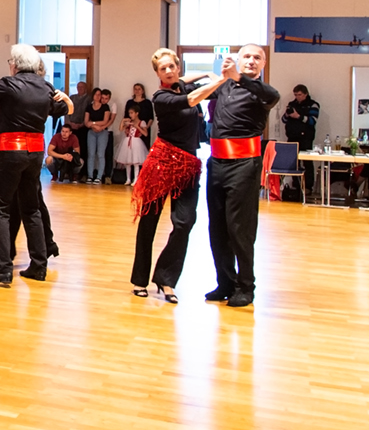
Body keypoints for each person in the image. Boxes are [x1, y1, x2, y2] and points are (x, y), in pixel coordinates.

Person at [0, 45, 70, 286]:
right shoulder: (46, 86)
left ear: (16, 64)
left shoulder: (8, 84)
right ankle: (38, 266)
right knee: (31, 209)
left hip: (10, 151)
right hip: (35, 154)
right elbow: (61, 109)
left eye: (11, 61)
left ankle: (3, 268)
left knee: (0, 209)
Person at [131, 49, 227, 303]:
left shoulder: (182, 86)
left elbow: (192, 85)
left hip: (188, 166)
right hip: (162, 164)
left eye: (171, 66)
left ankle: (166, 278)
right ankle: (139, 279)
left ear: (178, 67)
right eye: (163, 68)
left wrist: (209, 75)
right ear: (157, 73)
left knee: (185, 222)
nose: (168, 71)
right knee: (149, 222)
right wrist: (218, 78)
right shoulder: (160, 97)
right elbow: (194, 98)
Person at [204, 45, 279, 308]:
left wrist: (237, 76)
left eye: (257, 57)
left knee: (240, 229)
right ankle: (225, 282)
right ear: (238, 59)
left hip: (244, 166)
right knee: (217, 228)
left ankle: (246, 286)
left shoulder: (263, 92)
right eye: (246, 56)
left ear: (263, 64)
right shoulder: (224, 86)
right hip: (216, 164)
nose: (251, 61)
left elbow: (272, 95)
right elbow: (195, 91)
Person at [281, 84, 319, 195]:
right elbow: (283, 120)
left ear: (306, 94)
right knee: (293, 163)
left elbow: (312, 121)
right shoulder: (292, 104)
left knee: (307, 163)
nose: (297, 97)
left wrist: (298, 116)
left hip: (306, 138)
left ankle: (308, 187)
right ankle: (296, 185)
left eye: (300, 95)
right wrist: (288, 114)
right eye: (295, 95)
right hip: (292, 137)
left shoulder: (313, 105)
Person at [84, 88, 114, 184]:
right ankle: (90, 176)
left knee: (101, 154)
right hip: (91, 132)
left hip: (103, 132)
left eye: (99, 94)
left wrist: (93, 123)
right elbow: (86, 122)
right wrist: (94, 125)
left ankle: (99, 177)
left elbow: (105, 121)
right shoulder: (89, 107)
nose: (98, 96)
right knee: (91, 154)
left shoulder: (105, 107)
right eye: (96, 94)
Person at [114, 111, 149, 183]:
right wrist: (123, 121)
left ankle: (136, 179)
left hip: (136, 142)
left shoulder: (141, 122)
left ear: (137, 113)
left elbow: (145, 134)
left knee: (136, 162)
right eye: (129, 113)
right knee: (128, 162)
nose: (130, 115)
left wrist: (137, 127)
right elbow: (120, 129)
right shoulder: (129, 123)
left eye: (132, 113)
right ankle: (128, 179)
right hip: (127, 142)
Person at [69, 81, 92, 181]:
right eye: (78, 87)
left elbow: (90, 113)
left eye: (82, 87)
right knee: (70, 150)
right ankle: (70, 173)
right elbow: (67, 111)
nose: (80, 88)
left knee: (83, 151)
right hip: (72, 127)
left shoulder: (89, 99)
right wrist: (70, 123)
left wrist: (82, 124)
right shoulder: (72, 98)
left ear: (85, 88)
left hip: (83, 128)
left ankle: (83, 174)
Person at [124, 83, 153, 149]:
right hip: (132, 129)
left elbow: (151, 118)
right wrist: (126, 128)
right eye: (135, 89)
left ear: (142, 91)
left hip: (143, 128)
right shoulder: (129, 102)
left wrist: (144, 129)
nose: (137, 91)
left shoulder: (147, 102)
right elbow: (126, 117)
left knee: (144, 148)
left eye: (139, 89)